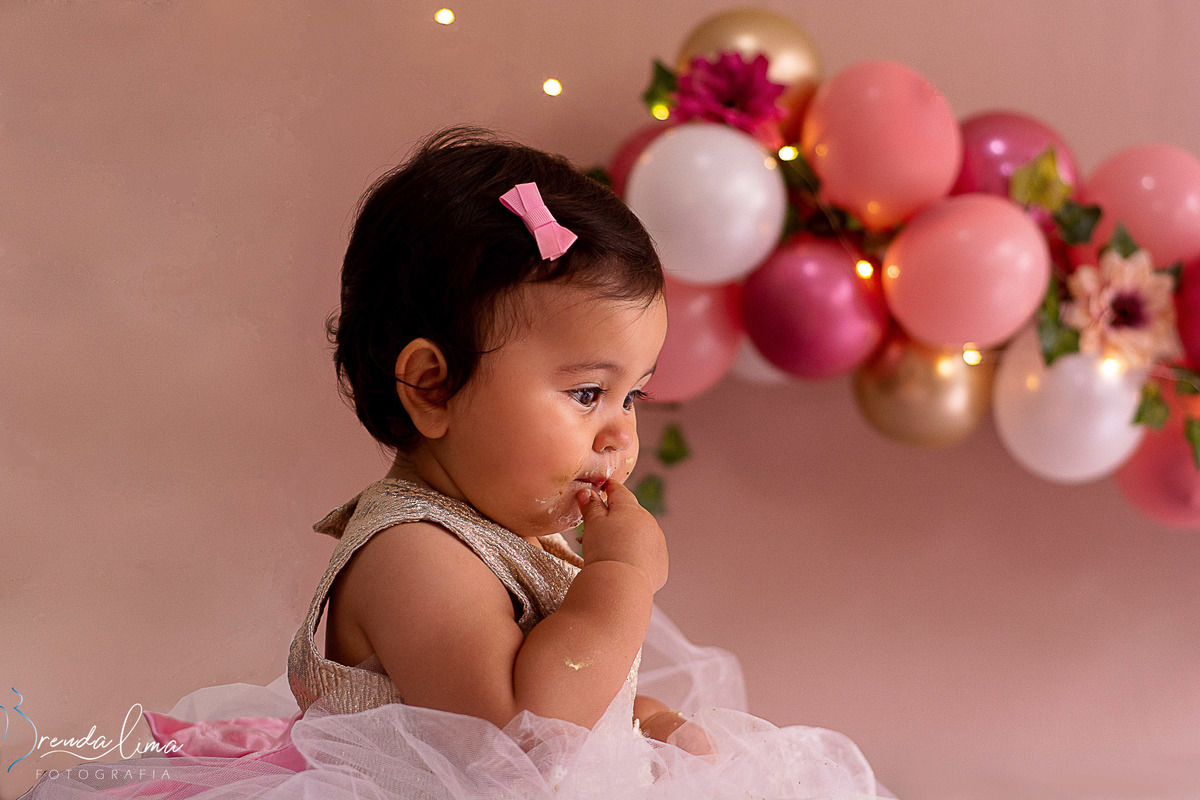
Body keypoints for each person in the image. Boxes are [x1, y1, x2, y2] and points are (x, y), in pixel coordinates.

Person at [20, 127, 893, 799]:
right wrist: (623, 577)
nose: (618, 434)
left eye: (633, 396)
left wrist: (648, 721)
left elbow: (578, 698)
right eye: (588, 392)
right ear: (433, 387)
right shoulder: (413, 554)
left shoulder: (511, 533)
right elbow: (522, 738)